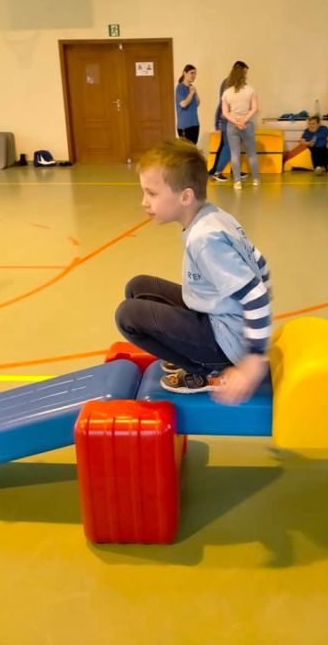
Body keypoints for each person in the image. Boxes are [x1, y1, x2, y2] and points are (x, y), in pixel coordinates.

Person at [115, 139, 271, 405]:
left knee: (127, 315)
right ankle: (202, 355)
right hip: (220, 320)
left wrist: (253, 361)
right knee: (138, 287)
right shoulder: (214, 215)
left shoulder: (204, 239)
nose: (144, 202)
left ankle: (206, 369)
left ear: (185, 197)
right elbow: (260, 263)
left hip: (226, 344)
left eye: (152, 193)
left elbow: (257, 296)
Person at [208, 61, 249, 182]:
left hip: (231, 120)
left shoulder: (233, 84)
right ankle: (217, 172)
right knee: (228, 147)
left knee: (233, 146)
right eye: (244, 72)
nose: (245, 75)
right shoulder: (230, 85)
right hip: (230, 120)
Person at [221, 62, 259, 190]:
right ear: (244, 74)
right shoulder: (251, 90)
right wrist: (244, 121)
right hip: (247, 125)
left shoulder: (227, 93)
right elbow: (254, 108)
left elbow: (225, 113)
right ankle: (256, 180)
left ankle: (237, 182)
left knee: (234, 154)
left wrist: (236, 122)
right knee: (251, 153)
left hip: (232, 126)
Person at [175, 64, 200, 143]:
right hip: (185, 126)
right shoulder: (180, 88)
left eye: (195, 73)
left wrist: (195, 92)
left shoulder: (191, 87)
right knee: (186, 149)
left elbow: (197, 103)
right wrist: (191, 93)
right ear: (185, 73)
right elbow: (183, 104)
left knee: (193, 148)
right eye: (191, 73)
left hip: (195, 124)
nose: (193, 75)